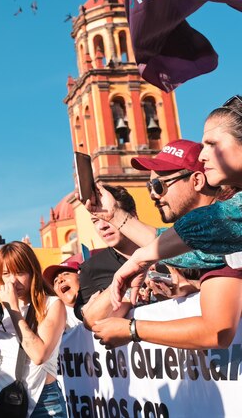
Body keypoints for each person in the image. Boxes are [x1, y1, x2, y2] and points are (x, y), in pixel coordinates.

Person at [88, 139, 242, 350]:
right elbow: (168, 241)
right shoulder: (206, 239)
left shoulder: (225, 233)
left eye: (159, 185)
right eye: (149, 186)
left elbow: (216, 332)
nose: (152, 194)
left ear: (197, 180)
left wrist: (132, 329)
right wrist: (114, 215)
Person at [109, 96, 242, 304]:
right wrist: (114, 216)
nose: (202, 156)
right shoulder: (219, 235)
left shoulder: (224, 219)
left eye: (212, 144)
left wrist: (131, 329)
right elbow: (196, 251)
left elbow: (216, 222)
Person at [0, 242, 67, 418]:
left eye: (20, 272)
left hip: (42, 403)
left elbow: (39, 355)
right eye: (6, 274)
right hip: (3, 402)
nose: (13, 281)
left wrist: (14, 310)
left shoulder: (51, 305)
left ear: (33, 272)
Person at [74, 185, 141, 329]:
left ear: (133, 215)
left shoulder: (165, 251)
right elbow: (88, 317)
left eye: (108, 216)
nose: (102, 226)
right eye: (95, 220)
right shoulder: (91, 268)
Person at [42, 260, 81, 331]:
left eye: (66, 274)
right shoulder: (53, 316)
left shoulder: (103, 301)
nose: (60, 280)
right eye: (55, 280)